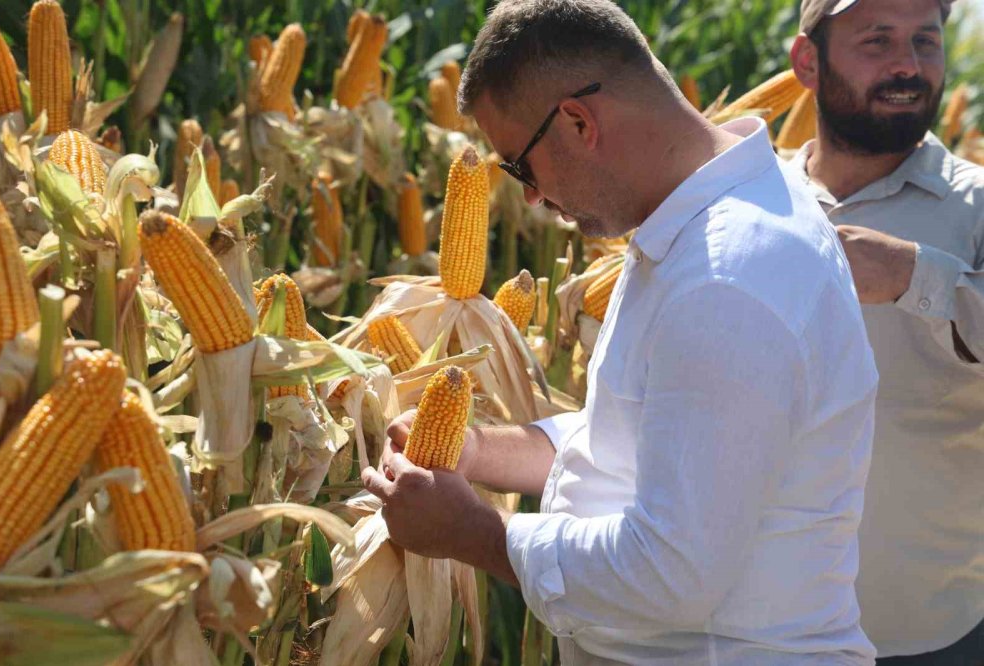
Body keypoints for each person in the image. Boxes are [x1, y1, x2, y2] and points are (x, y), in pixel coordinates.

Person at [362, 0, 880, 663]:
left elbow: (671, 574)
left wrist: (475, 533)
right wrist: (473, 450)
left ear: (578, 123)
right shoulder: (707, 223)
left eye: (519, 166)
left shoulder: (725, 281)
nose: (529, 199)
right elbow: (640, 437)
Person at [787, 1, 983, 663]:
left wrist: (915, 276)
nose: (909, 64)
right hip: (766, 624)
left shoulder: (977, 206)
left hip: (927, 634)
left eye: (925, 40)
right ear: (806, 62)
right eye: (878, 40)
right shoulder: (753, 202)